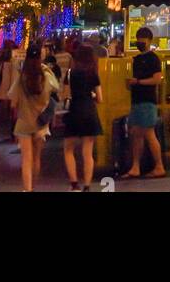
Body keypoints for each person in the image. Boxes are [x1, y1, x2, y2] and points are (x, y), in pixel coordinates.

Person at [9, 43, 58, 192]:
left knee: (26, 160)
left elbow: (13, 101)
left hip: (24, 122)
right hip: (40, 123)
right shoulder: (46, 74)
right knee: (37, 159)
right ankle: (33, 187)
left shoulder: (22, 76)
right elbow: (55, 89)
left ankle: (27, 189)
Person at [62, 42, 103, 192]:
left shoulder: (70, 73)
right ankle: (87, 186)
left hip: (74, 112)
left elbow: (65, 95)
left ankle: (74, 185)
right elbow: (100, 98)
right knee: (87, 152)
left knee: (68, 149)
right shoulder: (93, 74)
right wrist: (91, 94)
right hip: (89, 112)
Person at [125, 27, 164, 179]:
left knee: (148, 133)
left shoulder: (153, 59)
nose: (139, 42)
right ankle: (135, 167)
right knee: (137, 133)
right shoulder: (137, 59)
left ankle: (159, 166)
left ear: (149, 40)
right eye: (138, 39)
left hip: (147, 101)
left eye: (142, 39)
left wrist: (139, 82)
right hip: (137, 100)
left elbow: (157, 79)